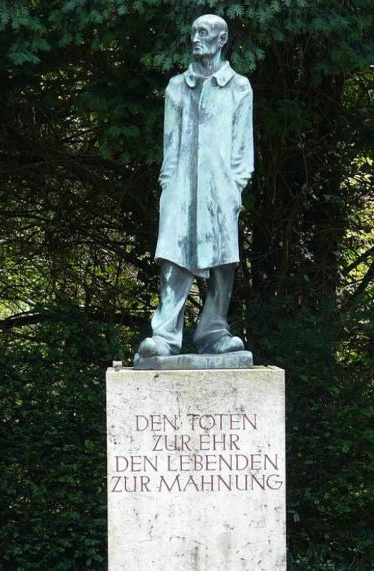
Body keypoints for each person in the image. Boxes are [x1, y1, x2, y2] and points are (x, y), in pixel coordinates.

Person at [138, 14, 254, 358]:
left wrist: (235, 188)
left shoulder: (238, 86)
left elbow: (242, 148)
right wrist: (167, 188)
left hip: (221, 187)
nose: (195, 39)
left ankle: (214, 332)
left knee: (223, 262)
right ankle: (165, 336)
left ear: (221, 39)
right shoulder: (177, 86)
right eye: (193, 33)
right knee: (172, 257)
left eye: (203, 33)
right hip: (180, 186)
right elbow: (169, 145)